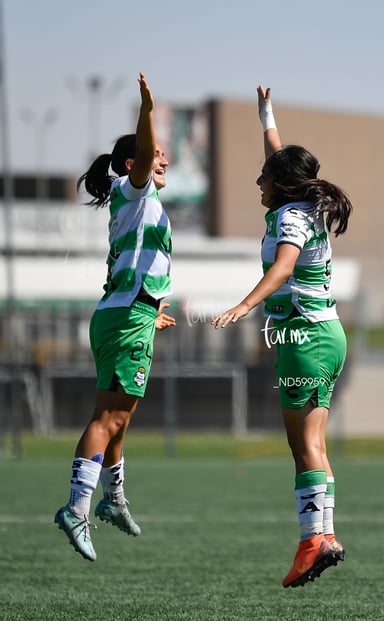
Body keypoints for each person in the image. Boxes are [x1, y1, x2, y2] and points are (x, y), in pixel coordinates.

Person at [212, 85, 352, 588]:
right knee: (311, 444)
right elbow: (279, 158)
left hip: (304, 337)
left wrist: (243, 305)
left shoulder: (292, 215)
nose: (258, 180)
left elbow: (284, 267)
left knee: (305, 446)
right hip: (323, 334)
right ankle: (322, 537)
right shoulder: (300, 201)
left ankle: (313, 543)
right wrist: (266, 114)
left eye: (265, 177)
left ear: (284, 186)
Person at [55, 73, 176, 562]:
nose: (164, 159)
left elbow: (135, 266)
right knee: (108, 419)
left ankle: (113, 500)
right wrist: (146, 111)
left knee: (119, 421)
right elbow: (145, 155)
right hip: (125, 319)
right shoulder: (137, 188)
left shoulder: (140, 202)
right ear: (134, 163)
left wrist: (151, 309)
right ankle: (76, 509)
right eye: (156, 152)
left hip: (124, 314)